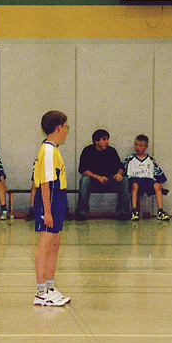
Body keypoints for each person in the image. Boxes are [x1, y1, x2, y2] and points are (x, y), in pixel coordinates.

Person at [33, 110, 71, 306]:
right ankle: (40, 292)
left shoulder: (54, 149)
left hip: (58, 199)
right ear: (58, 128)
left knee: (54, 244)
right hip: (50, 200)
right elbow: (45, 184)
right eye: (66, 127)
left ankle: (49, 287)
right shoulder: (47, 150)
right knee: (45, 245)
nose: (66, 131)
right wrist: (47, 211)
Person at [76, 129, 129, 220]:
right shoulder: (88, 151)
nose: (107, 142)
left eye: (107, 139)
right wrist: (98, 177)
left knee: (124, 180)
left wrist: (119, 173)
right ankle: (82, 212)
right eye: (104, 139)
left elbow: (120, 166)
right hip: (93, 181)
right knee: (85, 180)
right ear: (96, 141)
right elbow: (83, 170)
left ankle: (122, 211)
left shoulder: (111, 151)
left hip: (109, 180)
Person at [123, 134, 169, 221]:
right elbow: (123, 170)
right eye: (136, 145)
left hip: (147, 180)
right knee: (134, 185)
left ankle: (160, 211)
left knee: (157, 186)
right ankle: (134, 210)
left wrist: (159, 181)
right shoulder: (130, 158)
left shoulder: (150, 159)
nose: (138, 147)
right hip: (135, 179)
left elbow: (157, 171)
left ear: (146, 147)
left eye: (140, 145)